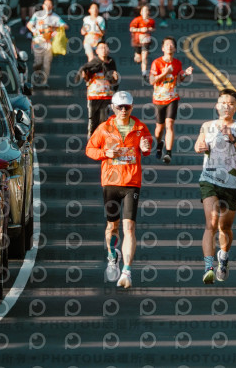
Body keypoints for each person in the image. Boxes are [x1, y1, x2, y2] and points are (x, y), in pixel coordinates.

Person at [86, 91, 152, 289]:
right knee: (112, 227)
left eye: (127, 107)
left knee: (129, 227)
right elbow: (89, 149)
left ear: (132, 107)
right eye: (120, 107)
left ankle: (127, 271)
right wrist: (105, 152)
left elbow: (147, 148)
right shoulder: (104, 128)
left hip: (132, 182)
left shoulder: (140, 128)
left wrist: (145, 146)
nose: (124, 110)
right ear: (113, 107)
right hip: (111, 182)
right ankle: (112, 255)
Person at [194, 89, 236, 284]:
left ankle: (223, 258)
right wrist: (200, 147)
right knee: (211, 222)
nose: (226, 106)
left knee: (225, 227)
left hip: (231, 182)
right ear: (217, 106)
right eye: (223, 103)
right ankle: (208, 268)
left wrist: (234, 141)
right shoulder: (207, 126)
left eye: (231, 104)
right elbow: (198, 145)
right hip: (208, 179)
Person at [149, 36, 193, 164]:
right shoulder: (157, 63)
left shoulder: (177, 63)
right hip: (159, 99)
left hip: (172, 98)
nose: (169, 46)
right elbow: (152, 80)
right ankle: (159, 144)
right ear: (163, 48)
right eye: (167, 45)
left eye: (171, 45)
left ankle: (168, 153)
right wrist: (165, 73)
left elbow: (179, 79)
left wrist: (185, 73)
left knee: (169, 124)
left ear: (175, 49)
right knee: (159, 129)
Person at [77, 41, 119, 138]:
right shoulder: (93, 63)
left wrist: (115, 78)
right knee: (93, 121)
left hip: (106, 96)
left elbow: (114, 80)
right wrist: (84, 75)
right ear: (96, 51)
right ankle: (91, 141)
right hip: (94, 96)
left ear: (108, 50)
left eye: (105, 48)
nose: (103, 50)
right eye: (101, 48)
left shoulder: (111, 62)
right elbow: (86, 77)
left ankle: (101, 141)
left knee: (103, 122)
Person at [26, 0, 68, 86]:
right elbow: (29, 24)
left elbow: (65, 26)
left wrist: (54, 27)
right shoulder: (37, 15)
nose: (48, 6)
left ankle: (44, 82)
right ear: (43, 6)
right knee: (38, 62)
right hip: (37, 42)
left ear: (52, 6)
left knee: (47, 63)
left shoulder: (55, 17)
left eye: (50, 4)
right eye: (46, 4)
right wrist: (34, 30)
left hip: (49, 43)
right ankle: (36, 74)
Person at [129, 5, 155, 80]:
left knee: (145, 56)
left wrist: (150, 29)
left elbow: (154, 29)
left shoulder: (151, 21)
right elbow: (131, 29)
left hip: (146, 41)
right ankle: (136, 56)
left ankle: (144, 72)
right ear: (141, 12)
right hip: (137, 41)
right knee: (138, 58)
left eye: (147, 10)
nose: (146, 12)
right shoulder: (137, 20)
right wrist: (140, 30)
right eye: (144, 10)